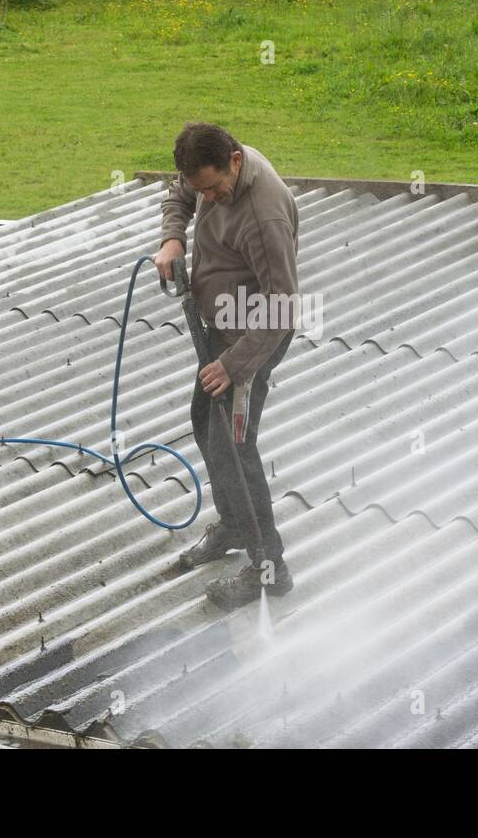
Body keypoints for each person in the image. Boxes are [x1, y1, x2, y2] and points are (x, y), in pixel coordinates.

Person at [154, 122, 300, 610]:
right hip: (220, 326)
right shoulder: (209, 172)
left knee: (235, 447)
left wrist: (236, 364)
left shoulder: (264, 215)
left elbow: (283, 306)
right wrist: (173, 239)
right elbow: (178, 194)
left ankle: (270, 568)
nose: (208, 200)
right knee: (205, 422)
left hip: (254, 335)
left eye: (215, 189)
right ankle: (235, 526)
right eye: (203, 191)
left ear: (235, 161)